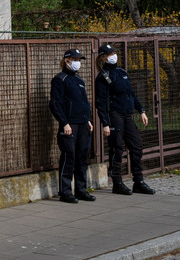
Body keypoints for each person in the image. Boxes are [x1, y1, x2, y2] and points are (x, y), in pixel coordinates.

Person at [94, 44, 155, 195]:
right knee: (116, 148)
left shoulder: (121, 72)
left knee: (136, 146)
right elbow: (100, 102)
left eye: (114, 52)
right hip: (114, 114)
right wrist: (105, 123)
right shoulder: (103, 77)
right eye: (109, 54)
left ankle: (138, 181)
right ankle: (117, 182)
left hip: (127, 114)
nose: (113, 55)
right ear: (102, 57)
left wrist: (141, 110)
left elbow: (131, 94)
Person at [49, 48, 95, 203]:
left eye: (79, 60)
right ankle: (65, 192)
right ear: (67, 60)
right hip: (69, 125)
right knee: (69, 157)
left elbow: (84, 103)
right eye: (75, 60)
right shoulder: (59, 79)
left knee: (82, 158)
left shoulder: (79, 81)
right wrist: (64, 123)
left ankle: (81, 190)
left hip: (82, 124)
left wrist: (87, 120)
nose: (77, 63)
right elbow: (55, 104)